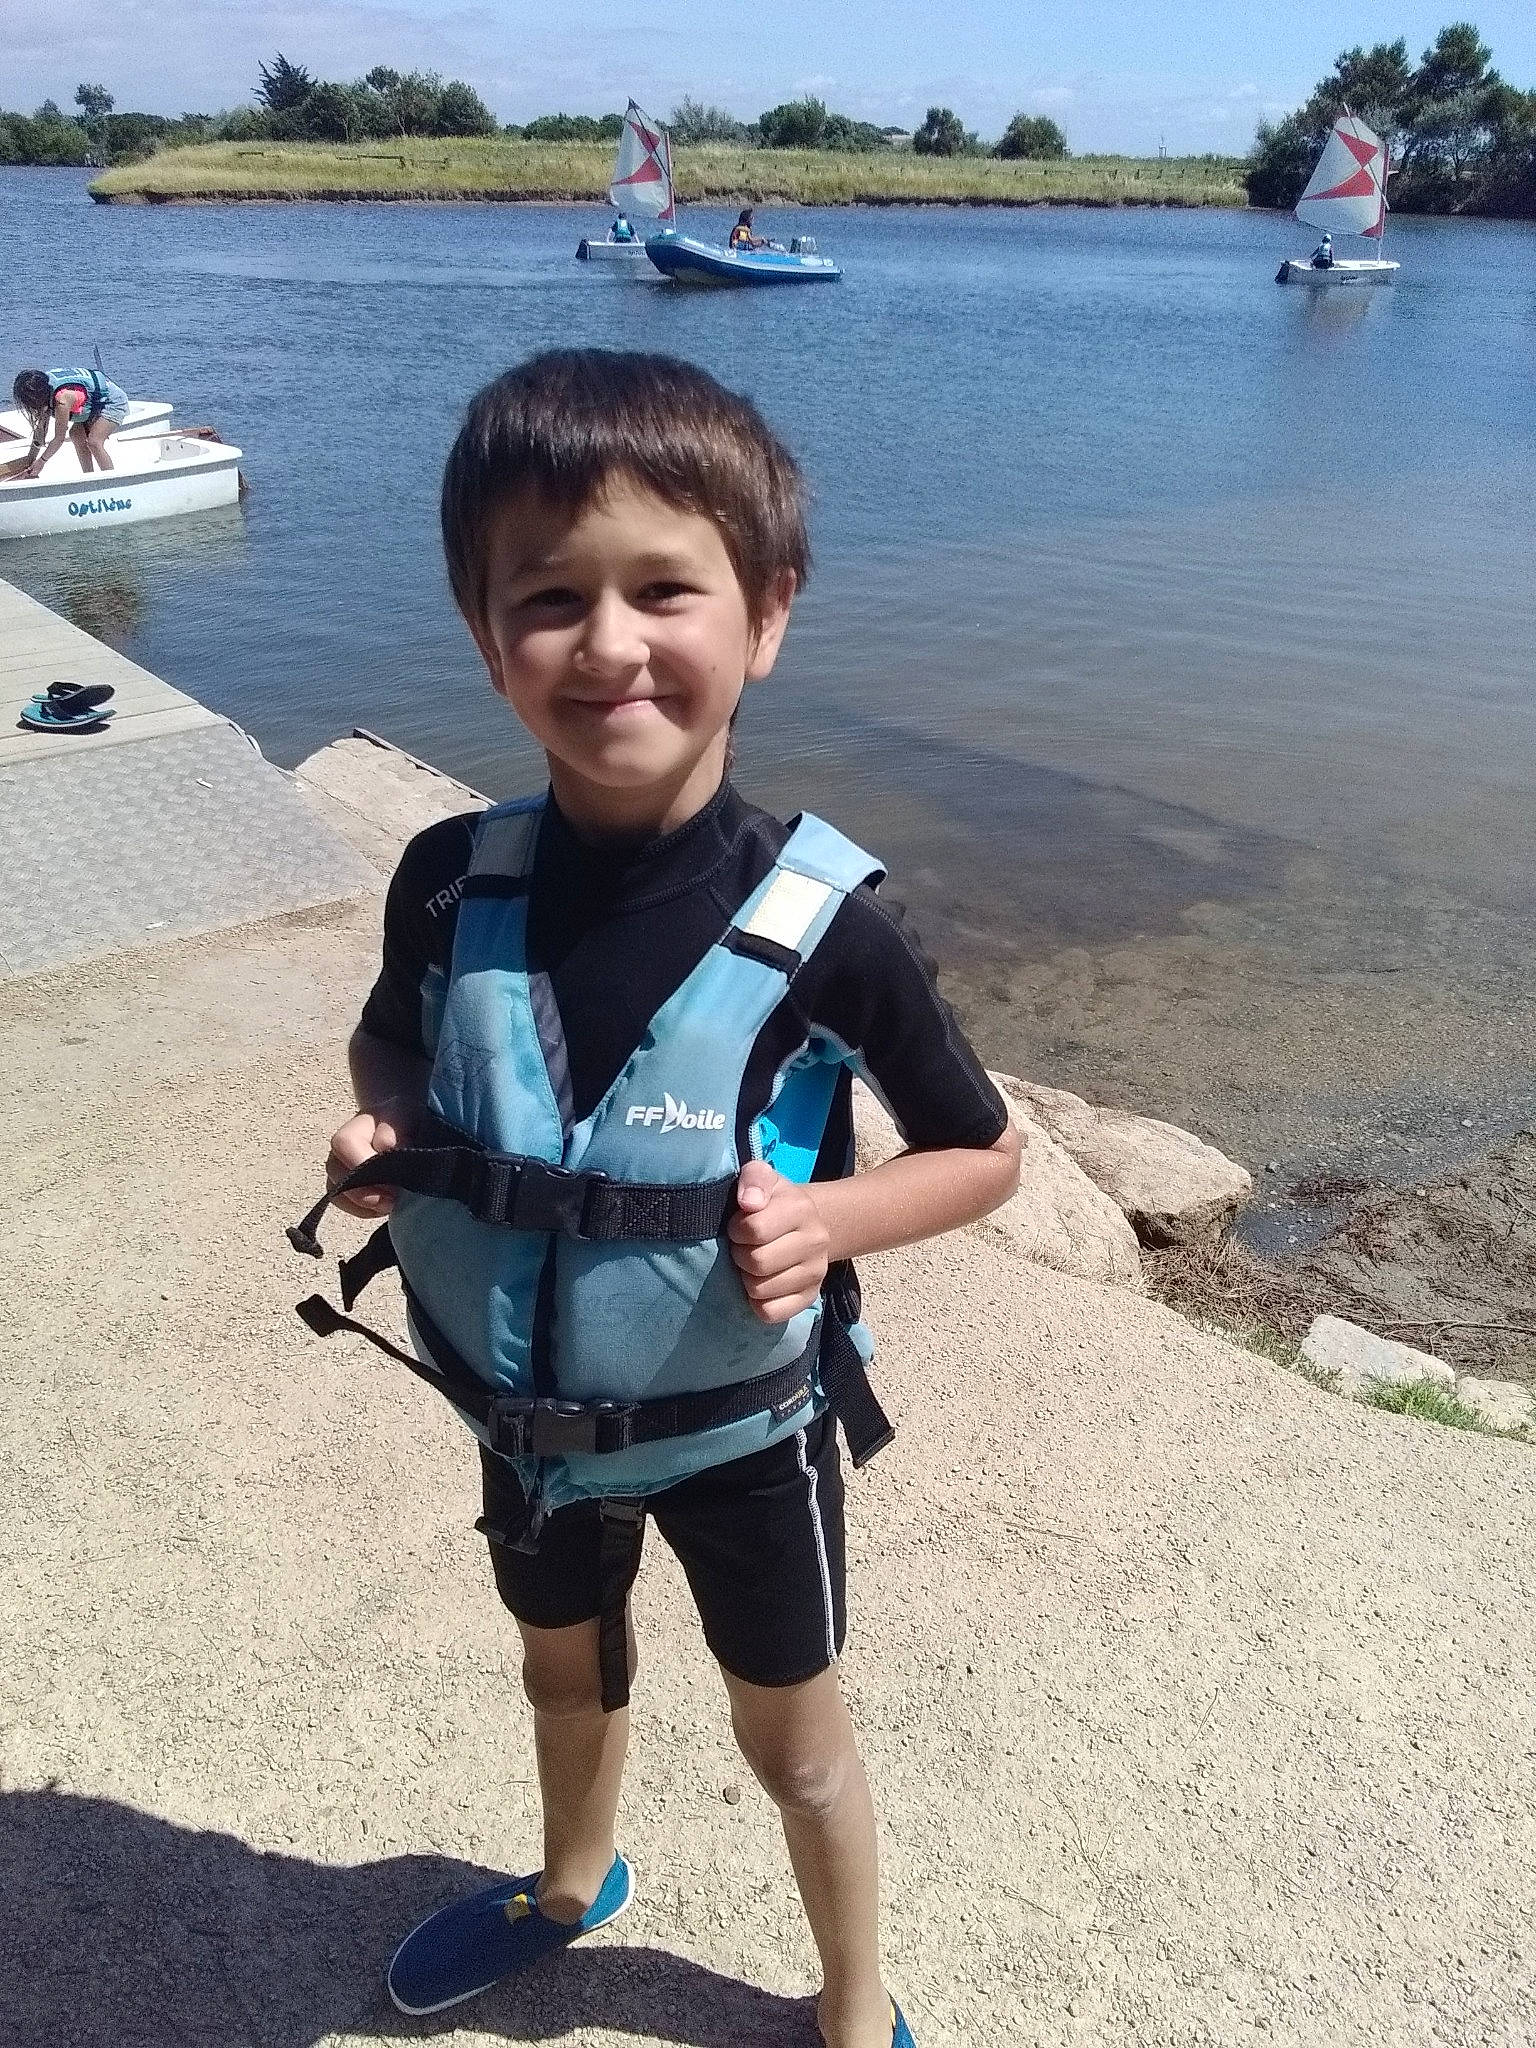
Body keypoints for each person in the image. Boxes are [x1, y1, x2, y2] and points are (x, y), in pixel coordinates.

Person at [302, 349, 1021, 2048]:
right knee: (562, 1669)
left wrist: (838, 1220)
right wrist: (383, 1131)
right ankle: (571, 1883)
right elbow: (389, 1041)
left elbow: (980, 1148)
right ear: (489, 637)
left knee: (796, 1740)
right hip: (524, 1420)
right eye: (549, 597)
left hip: (740, 1437)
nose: (609, 642)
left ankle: (852, 2005)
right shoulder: (444, 877)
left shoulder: (826, 921)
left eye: (663, 588)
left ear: (765, 612)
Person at [4, 367, 130, 480]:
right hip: (92, 401)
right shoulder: (44, 388)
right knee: (75, 434)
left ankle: (111, 481)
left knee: (94, 442)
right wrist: (30, 459)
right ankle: (90, 478)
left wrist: (41, 462)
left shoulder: (62, 400)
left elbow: (59, 438)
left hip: (111, 401)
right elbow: (40, 432)